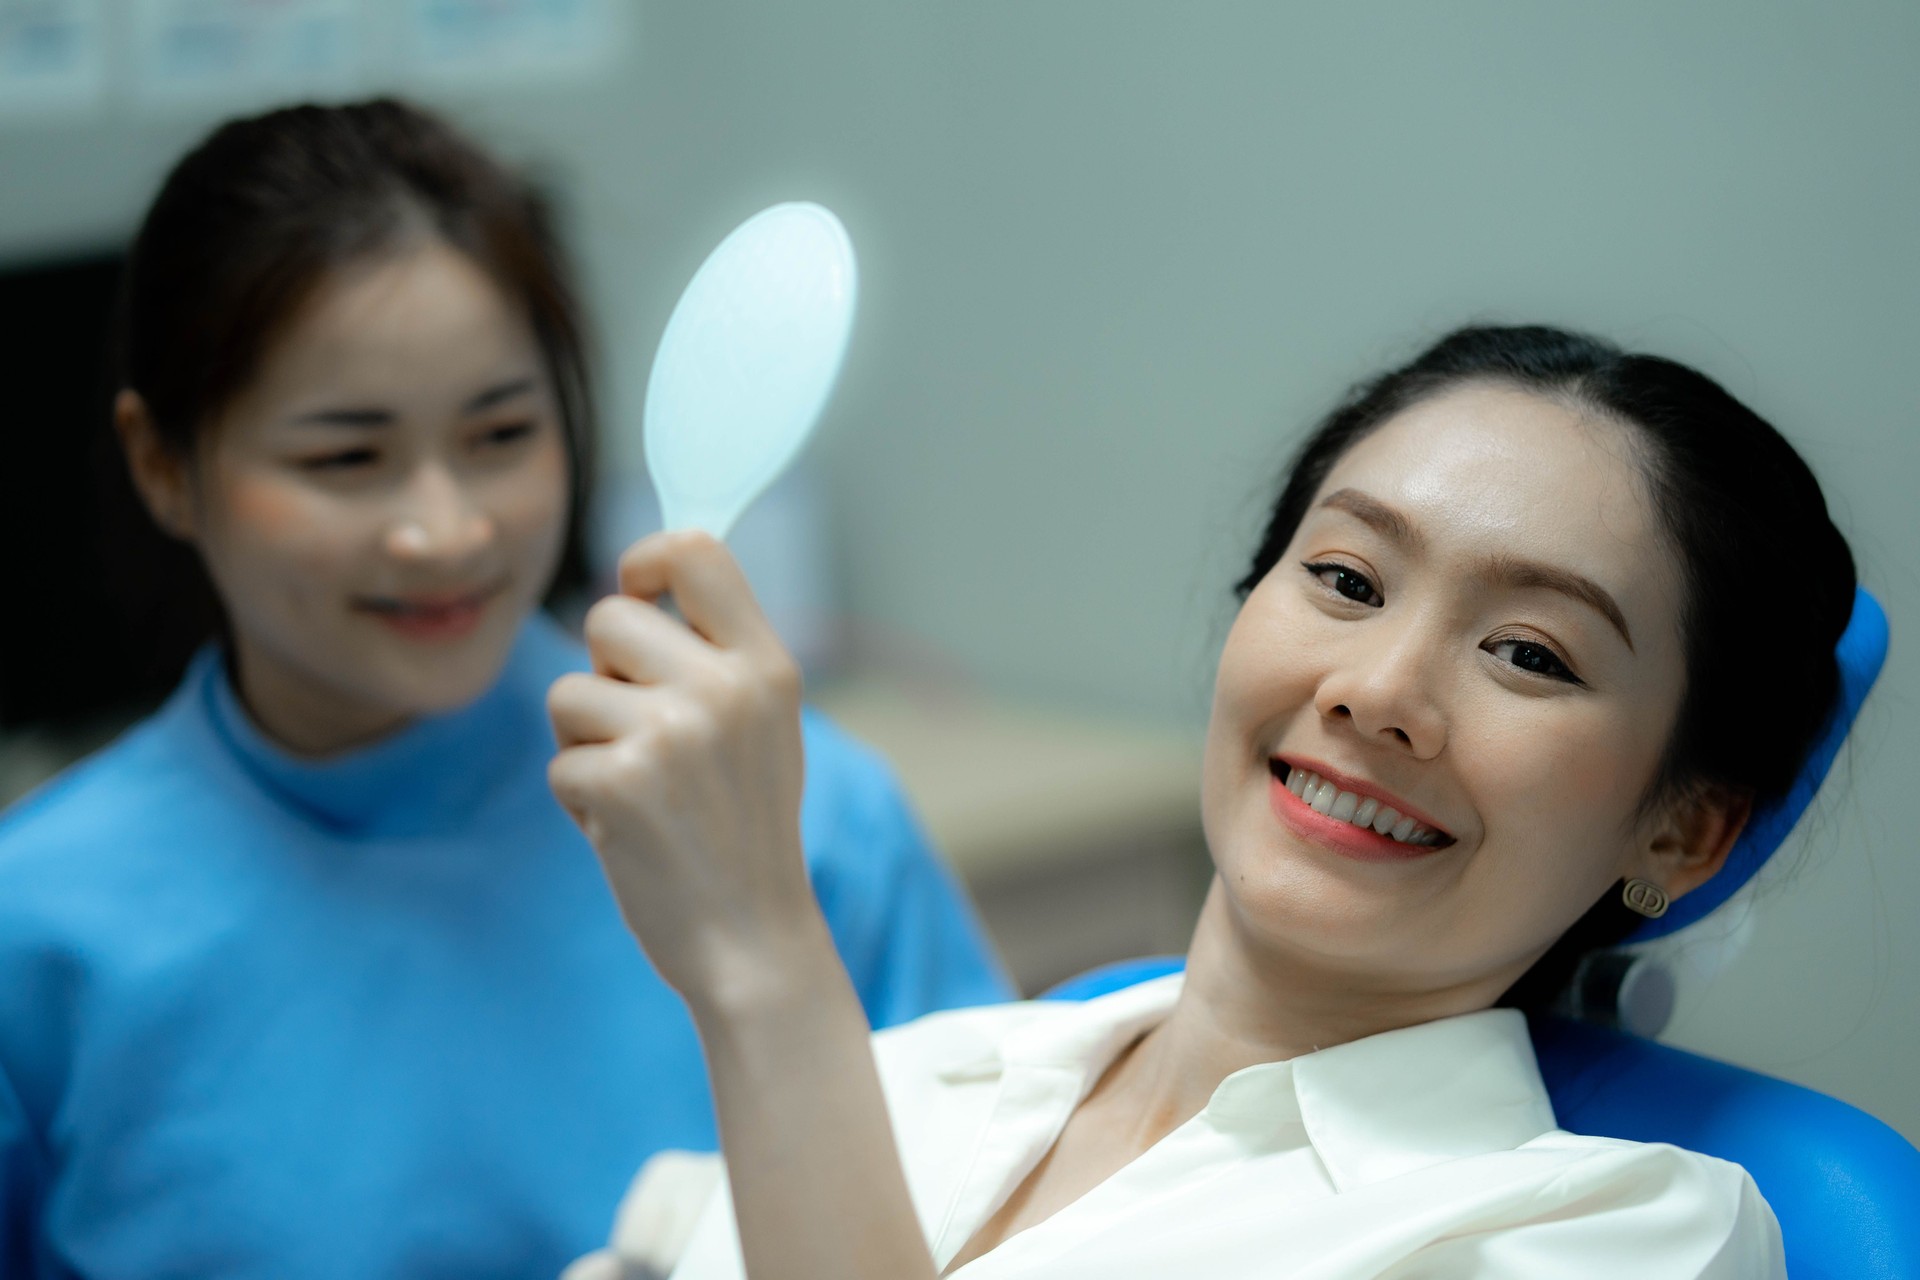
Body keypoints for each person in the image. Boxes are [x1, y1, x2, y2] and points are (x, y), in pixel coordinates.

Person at [551, 324, 1860, 1278]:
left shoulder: (1608, 1237)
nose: (1379, 690)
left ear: (1680, 830)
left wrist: (764, 968)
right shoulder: (927, 1077)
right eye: (1347, 580)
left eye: (1530, 653)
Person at [0, 99, 1009, 1280]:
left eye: (501, 432)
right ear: (164, 465)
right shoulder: (43, 930)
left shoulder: (798, 820)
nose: (447, 528)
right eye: (346, 457)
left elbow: (1012, 1226)